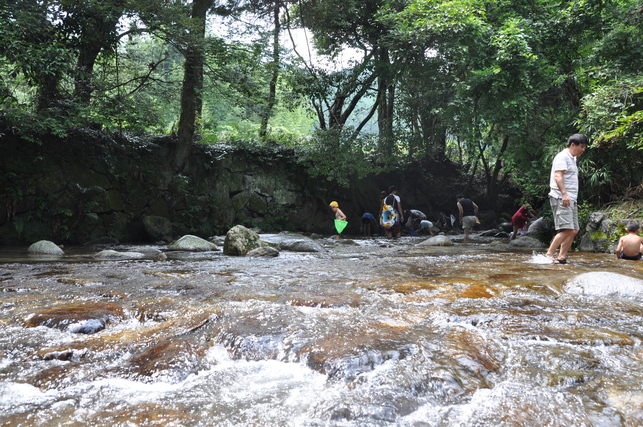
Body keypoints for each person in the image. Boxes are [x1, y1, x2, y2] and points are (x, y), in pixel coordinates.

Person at [545, 133, 588, 264]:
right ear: (573, 145)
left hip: (570, 198)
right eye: (581, 146)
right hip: (561, 197)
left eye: (584, 147)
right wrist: (564, 193)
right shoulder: (562, 157)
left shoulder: (572, 159)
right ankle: (549, 255)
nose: (583, 150)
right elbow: (558, 176)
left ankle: (561, 257)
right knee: (567, 229)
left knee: (574, 230)